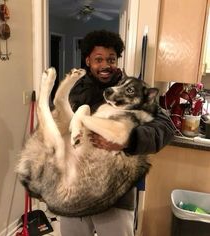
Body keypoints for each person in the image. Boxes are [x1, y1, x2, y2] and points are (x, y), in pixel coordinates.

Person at [60, 30, 174, 236]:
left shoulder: (134, 88)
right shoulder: (76, 89)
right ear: (88, 61)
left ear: (117, 60)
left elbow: (165, 127)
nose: (105, 65)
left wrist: (129, 140)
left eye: (111, 59)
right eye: (98, 59)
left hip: (117, 193)